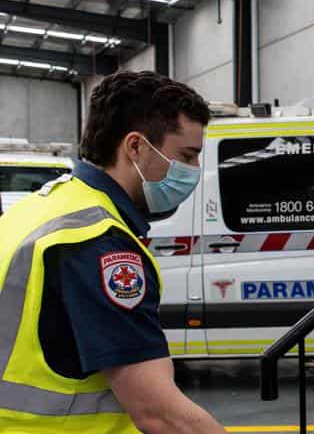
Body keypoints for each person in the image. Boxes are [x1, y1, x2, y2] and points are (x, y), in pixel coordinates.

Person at [0, 70, 226, 432]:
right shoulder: (97, 240)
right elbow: (159, 412)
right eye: (187, 155)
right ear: (135, 147)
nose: (195, 171)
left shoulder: (37, 209)